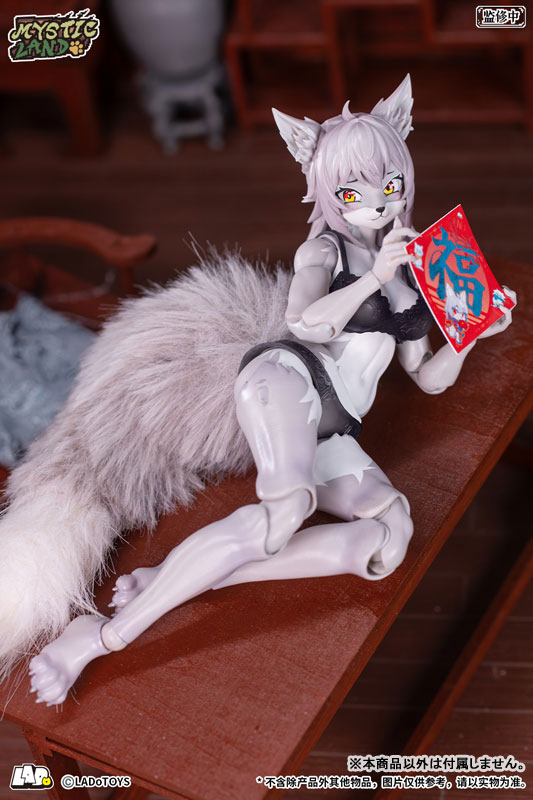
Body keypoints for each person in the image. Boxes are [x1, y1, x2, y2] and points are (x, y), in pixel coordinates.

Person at [21, 76, 513, 705]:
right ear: (327, 191)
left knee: (388, 537)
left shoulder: (413, 265)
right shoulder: (325, 250)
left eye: (390, 186)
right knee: (285, 513)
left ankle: (189, 576)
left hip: (339, 423)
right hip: (288, 375)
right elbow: (304, 321)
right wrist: (372, 280)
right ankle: (101, 638)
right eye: (354, 192)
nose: (378, 204)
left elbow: (427, 378)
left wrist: (472, 334)